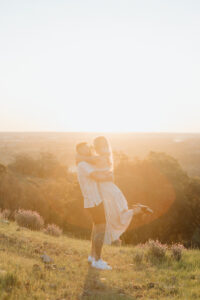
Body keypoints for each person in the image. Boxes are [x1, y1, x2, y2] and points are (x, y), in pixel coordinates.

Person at [76, 136, 147, 246]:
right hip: (107, 189)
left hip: (106, 190)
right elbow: (82, 159)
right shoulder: (99, 157)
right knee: (113, 215)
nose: (91, 148)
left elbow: (81, 160)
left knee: (112, 216)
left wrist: (81, 155)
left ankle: (110, 241)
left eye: (93, 145)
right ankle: (136, 212)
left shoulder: (101, 157)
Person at [76, 142, 113, 270]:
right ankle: (98, 260)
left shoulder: (86, 162)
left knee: (96, 228)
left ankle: (92, 257)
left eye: (86, 147)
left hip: (95, 200)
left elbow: (100, 163)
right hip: (94, 201)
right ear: (79, 152)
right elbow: (97, 176)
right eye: (82, 149)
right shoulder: (83, 165)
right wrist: (109, 177)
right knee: (101, 229)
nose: (86, 149)